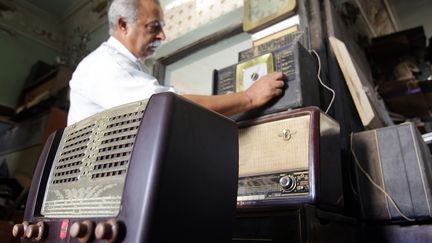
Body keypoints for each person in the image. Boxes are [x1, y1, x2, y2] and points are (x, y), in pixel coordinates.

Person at [67, 0, 285, 125]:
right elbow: (167, 106)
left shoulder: (130, 67)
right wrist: (249, 97)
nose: (163, 36)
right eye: (154, 27)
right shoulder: (105, 65)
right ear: (123, 25)